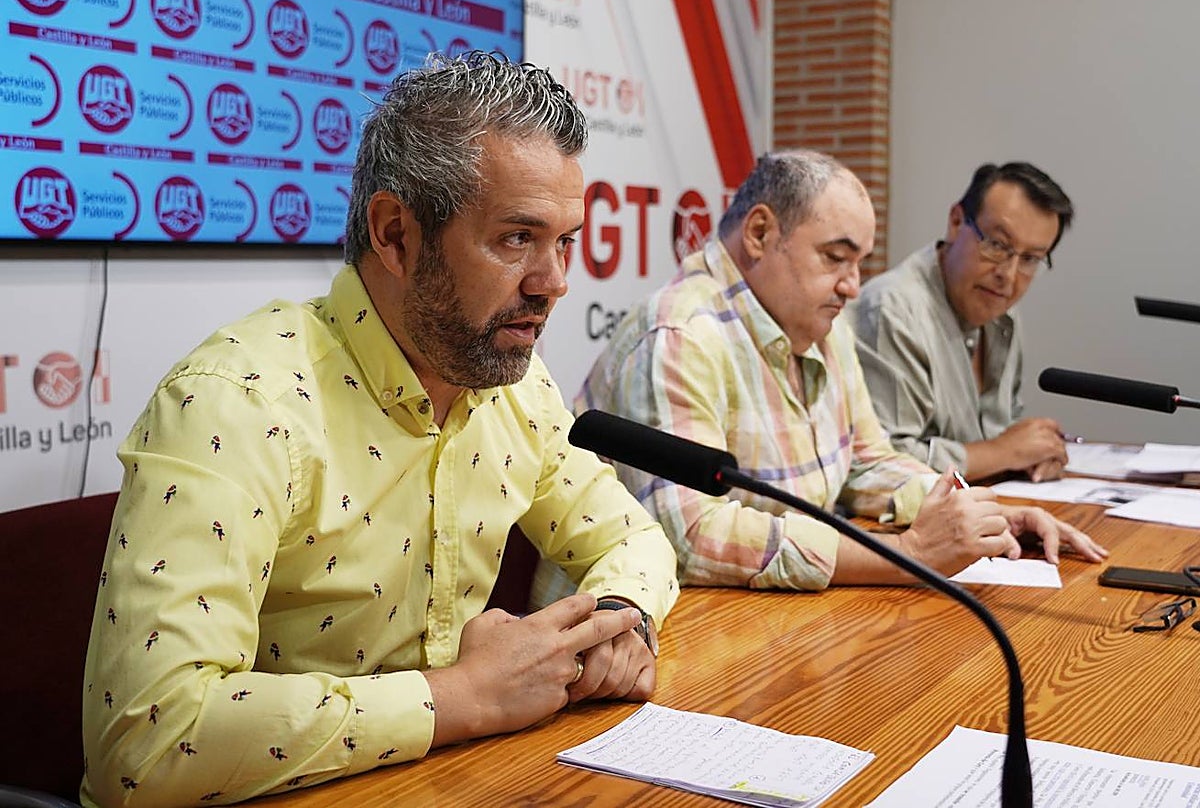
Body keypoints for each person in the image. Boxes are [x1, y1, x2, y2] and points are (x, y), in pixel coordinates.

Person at [81, 52, 678, 808]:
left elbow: (635, 542)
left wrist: (618, 625)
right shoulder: (237, 403)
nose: (554, 282)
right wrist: (458, 697)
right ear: (396, 235)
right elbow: (146, 744)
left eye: (564, 241)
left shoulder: (510, 385)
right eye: (517, 239)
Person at [576, 150, 1105, 591]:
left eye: (860, 264)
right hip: (638, 648)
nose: (854, 286)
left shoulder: (825, 325)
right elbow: (688, 536)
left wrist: (981, 513)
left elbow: (866, 463)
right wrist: (906, 553)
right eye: (835, 258)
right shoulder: (680, 336)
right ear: (760, 233)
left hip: (764, 619)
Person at [853, 162, 1073, 483]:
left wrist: (1036, 454)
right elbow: (883, 462)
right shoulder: (893, 309)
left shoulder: (1003, 315)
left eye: (1030, 259)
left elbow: (1005, 429)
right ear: (956, 222)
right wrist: (1004, 452)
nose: (1008, 276)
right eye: (997, 245)